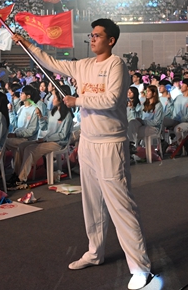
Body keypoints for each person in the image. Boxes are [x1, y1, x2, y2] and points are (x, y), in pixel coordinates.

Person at [12, 19, 153, 290]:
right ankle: (95, 252)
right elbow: (52, 62)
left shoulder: (116, 65)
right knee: (91, 203)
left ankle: (140, 267)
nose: (92, 39)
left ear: (111, 40)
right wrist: (27, 44)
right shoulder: (83, 65)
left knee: (121, 206)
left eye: (98, 36)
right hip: (88, 143)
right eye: (91, 35)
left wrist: (78, 100)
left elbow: (112, 100)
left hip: (111, 143)